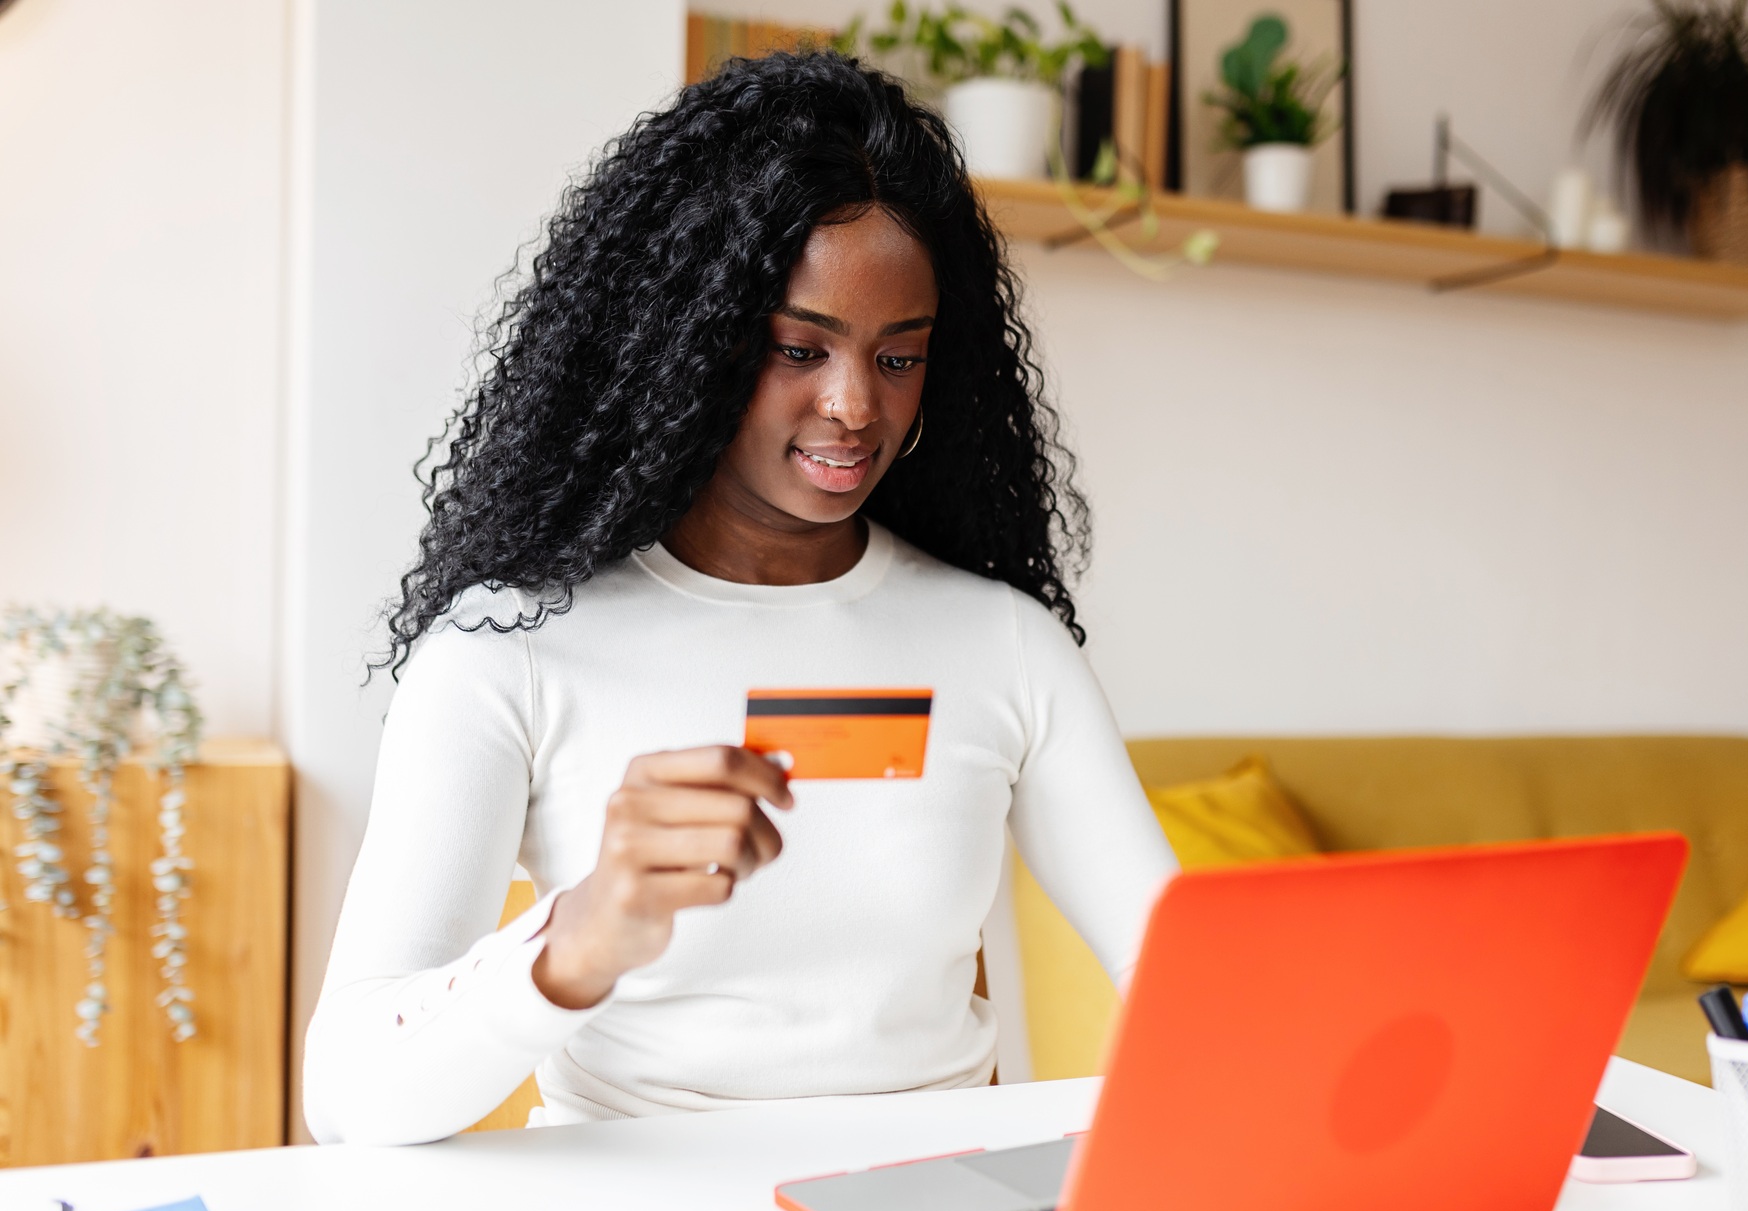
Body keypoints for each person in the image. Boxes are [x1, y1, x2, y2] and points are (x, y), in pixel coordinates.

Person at [303, 51, 1176, 1146]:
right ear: (687, 345)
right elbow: (347, 1098)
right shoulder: (509, 650)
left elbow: (1171, 963)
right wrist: (570, 947)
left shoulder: (1001, 642)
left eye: (897, 358)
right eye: (797, 349)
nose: (854, 406)